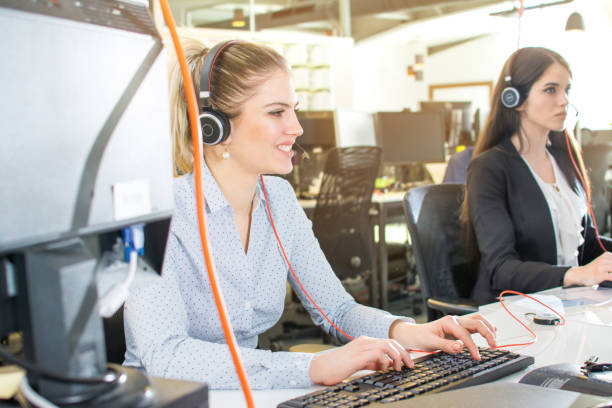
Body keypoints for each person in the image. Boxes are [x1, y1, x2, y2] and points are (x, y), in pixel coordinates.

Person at [123, 38, 497, 390]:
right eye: (276, 112)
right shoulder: (162, 214)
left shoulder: (279, 201)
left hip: (245, 394)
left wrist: (406, 331)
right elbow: (165, 356)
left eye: (294, 110)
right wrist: (313, 367)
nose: (296, 128)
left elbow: (334, 308)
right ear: (214, 126)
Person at [462, 47, 612, 304]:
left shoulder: (565, 159)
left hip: (570, 302)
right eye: (551, 89)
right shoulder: (489, 168)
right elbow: (502, 270)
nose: (564, 100)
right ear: (515, 99)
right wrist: (577, 274)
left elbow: (585, 246)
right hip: (515, 311)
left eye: (567, 90)